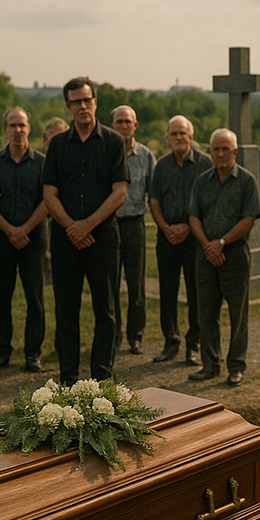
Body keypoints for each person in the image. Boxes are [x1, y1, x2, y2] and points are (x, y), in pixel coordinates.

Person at [43, 77, 128, 386]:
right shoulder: (57, 145)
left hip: (102, 239)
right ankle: (67, 377)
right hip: (66, 240)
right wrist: (72, 227)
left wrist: (87, 225)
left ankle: (101, 377)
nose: (82, 106)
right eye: (75, 101)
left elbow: (119, 192)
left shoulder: (113, 142)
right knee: (67, 309)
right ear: (68, 106)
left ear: (96, 102)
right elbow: (49, 195)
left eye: (87, 100)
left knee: (105, 309)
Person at [188, 128, 260, 386]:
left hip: (234, 254)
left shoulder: (247, 181)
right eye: (216, 149)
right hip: (205, 253)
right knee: (206, 312)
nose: (220, 154)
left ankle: (236, 366)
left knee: (237, 314)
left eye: (225, 149)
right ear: (210, 151)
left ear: (235, 152)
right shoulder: (201, 181)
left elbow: (249, 218)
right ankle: (210, 365)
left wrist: (221, 243)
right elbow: (193, 216)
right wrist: (209, 245)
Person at [0, 107, 48, 373]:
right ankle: (2, 351)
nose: (18, 130)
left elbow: (48, 201)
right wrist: (11, 230)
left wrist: (24, 230)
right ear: (5, 130)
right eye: (13, 125)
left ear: (29, 128)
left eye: (22, 125)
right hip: (1, 237)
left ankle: (33, 353)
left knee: (35, 298)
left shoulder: (42, 162)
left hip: (33, 239)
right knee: (3, 298)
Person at [149, 115, 212, 365]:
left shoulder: (205, 163)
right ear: (167, 137)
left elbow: (208, 201)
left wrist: (187, 227)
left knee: (196, 292)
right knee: (167, 292)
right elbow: (154, 200)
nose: (178, 138)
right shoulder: (161, 166)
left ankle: (193, 345)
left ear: (191, 137)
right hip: (166, 238)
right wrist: (166, 228)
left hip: (195, 238)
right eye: (173, 133)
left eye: (182, 133)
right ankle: (170, 341)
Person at [110, 105, 155, 356]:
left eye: (128, 122)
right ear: (112, 126)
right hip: (111, 225)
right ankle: (114, 335)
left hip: (135, 225)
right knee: (111, 283)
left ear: (135, 125)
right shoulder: (106, 153)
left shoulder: (146, 156)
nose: (124, 126)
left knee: (136, 284)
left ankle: (135, 336)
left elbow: (154, 193)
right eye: (119, 122)